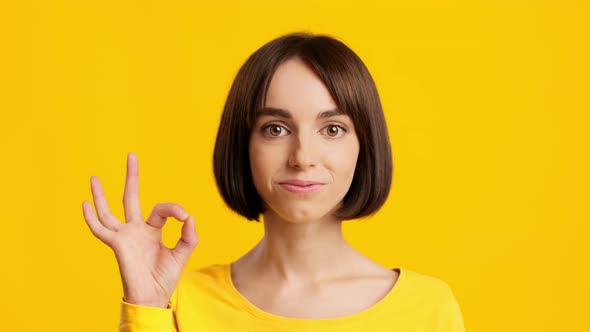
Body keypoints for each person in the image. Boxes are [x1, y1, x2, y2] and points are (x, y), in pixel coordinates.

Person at [82, 32, 466, 331]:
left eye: (332, 129)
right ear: (243, 143)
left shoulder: (429, 309)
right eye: (276, 129)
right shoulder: (180, 303)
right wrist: (146, 308)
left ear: (365, 146)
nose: (302, 157)